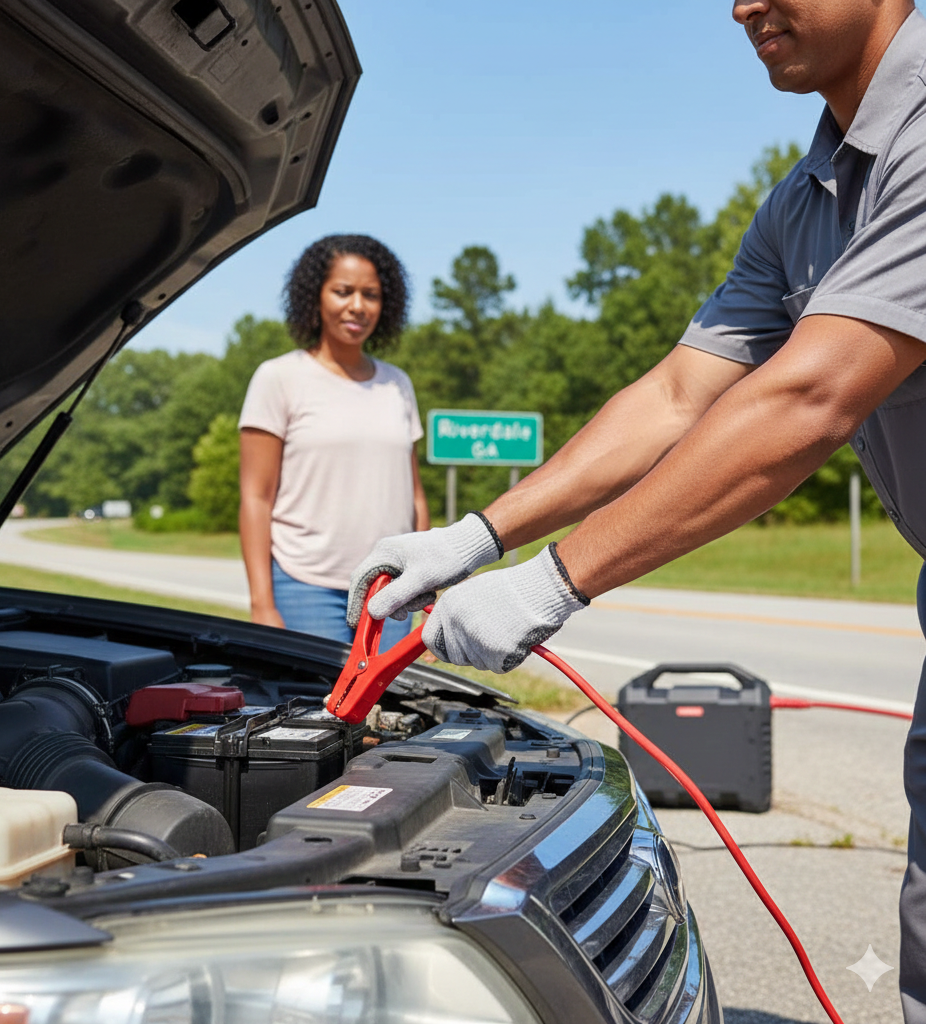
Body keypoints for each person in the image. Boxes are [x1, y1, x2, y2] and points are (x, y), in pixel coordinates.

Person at [348, 1, 926, 1017]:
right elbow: (677, 395)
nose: (741, 6)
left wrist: (550, 582)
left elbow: (810, 398)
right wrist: (478, 535)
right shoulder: (804, 200)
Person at [239, 234, 429, 649]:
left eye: (370, 294)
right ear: (315, 296)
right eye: (343, 291)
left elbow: (414, 495)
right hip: (304, 586)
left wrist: (422, 590)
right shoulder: (278, 378)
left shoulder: (398, 384)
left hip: (389, 590)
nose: (358, 306)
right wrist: (261, 604)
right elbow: (255, 498)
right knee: (312, 694)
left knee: (390, 695)